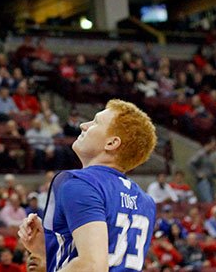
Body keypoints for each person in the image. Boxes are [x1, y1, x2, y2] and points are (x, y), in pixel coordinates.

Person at [18, 100, 158, 272]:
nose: (84, 125)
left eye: (96, 122)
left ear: (111, 143)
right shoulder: (145, 201)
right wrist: (51, 248)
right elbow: (110, 259)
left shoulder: (80, 183)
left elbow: (92, 266)